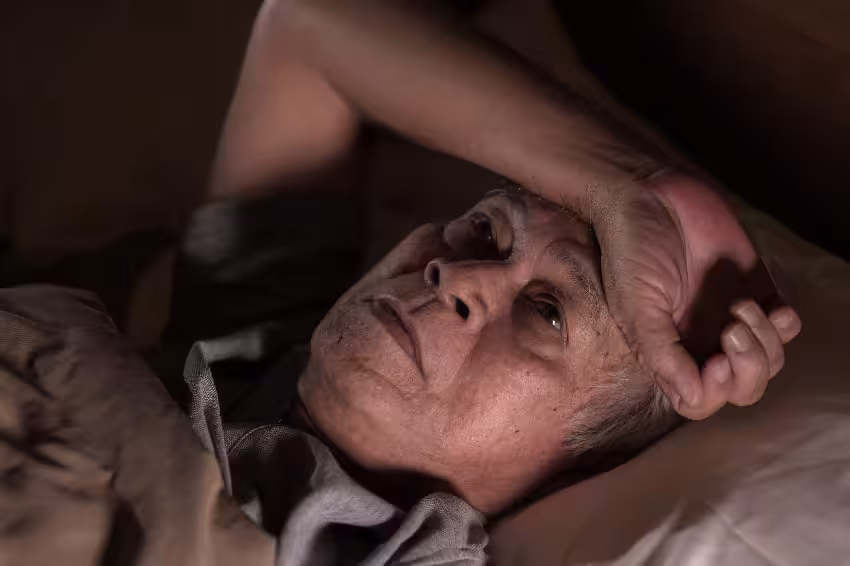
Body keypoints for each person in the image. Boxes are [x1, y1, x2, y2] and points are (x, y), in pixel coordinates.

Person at [0, 0, 803, 564]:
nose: (457, 273)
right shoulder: (254, 343)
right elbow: (310, 29)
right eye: (485, 231)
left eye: (547, 314)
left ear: (571, 475)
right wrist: (629, 186)